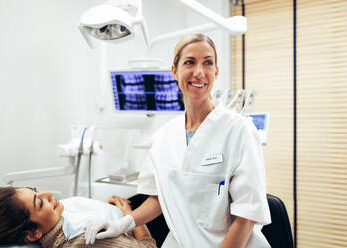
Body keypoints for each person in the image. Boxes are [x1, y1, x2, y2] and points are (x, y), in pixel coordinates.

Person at [85, 33, 271, 248]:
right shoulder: (166, 135)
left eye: (208, 63)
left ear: (216, 71)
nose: (199, 72)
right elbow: (159, 198)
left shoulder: (239, 130)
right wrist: (122, 224)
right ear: (175, 71)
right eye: (190, 62)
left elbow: (247, 215)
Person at [0, 187, 156, 248]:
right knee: (163, 194)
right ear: (33, 234)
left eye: (35, 191)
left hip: (116, 212)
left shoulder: (55, 216)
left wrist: (103, 208)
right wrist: (128, 215)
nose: (49, 194)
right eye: (40, 202)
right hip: (143, 231)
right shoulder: (85, 239)